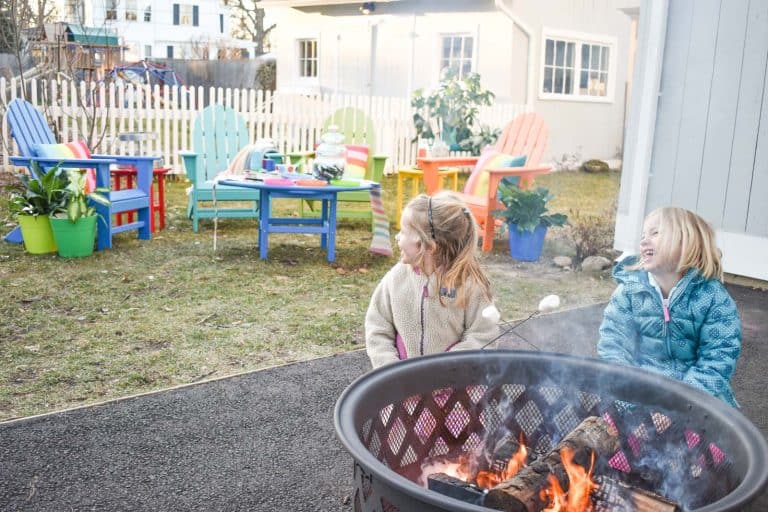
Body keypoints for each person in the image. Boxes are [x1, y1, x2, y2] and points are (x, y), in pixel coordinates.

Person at [598, 207, 742, 407]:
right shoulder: (629, 292)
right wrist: (631, 394)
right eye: (643, 235)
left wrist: (678, 402)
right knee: (614, 419)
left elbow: (719, 356)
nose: (644, 240)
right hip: (642, 389)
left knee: (706, 430)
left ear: (687, 243)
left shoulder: (712, 298)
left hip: (695, 395)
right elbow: (614, 344)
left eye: (655, 233)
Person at [365, 191, 499, 368]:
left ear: (428, 246)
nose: (397, 237)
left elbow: (484, 335)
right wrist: (388, 367)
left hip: (457, 387)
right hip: (403, 384)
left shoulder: (469, 284)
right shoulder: (396, 278)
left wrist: (444, 369)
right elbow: (377, 325)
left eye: (403, 231)